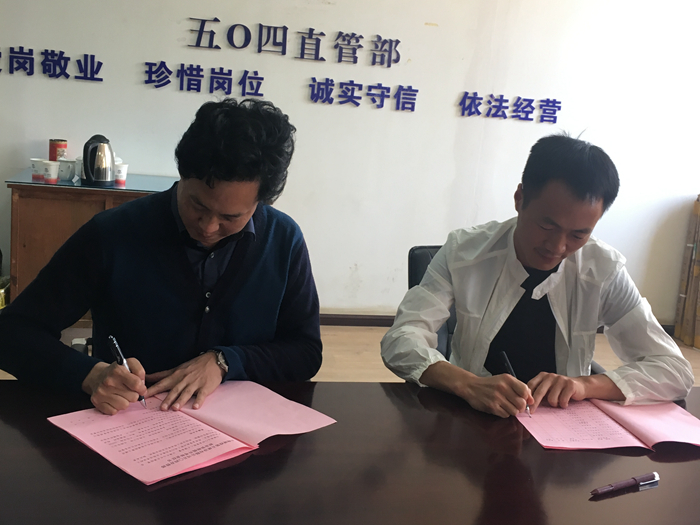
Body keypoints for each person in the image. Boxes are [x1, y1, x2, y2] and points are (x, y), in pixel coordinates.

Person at [0, 98, 322, 415]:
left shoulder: (283, 240)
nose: (209, 227)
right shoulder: (113, 234)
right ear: (181, 174)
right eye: (197, 205)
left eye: (230, 217)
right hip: (131, 426)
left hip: (244, 432)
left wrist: (225, 361)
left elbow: (305, 352)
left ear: (261, 202)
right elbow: (12, 333)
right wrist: (89, 374)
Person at [381, 134, 693, 418]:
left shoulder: (603, 270)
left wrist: (584, 385)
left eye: (578, 235)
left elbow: (675, 371)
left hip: (565, 427)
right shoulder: (463, 253)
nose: (557, 247)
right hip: (472, 416)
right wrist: (468, 384)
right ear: (519, 198)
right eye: (547, 225)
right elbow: (401, 338)